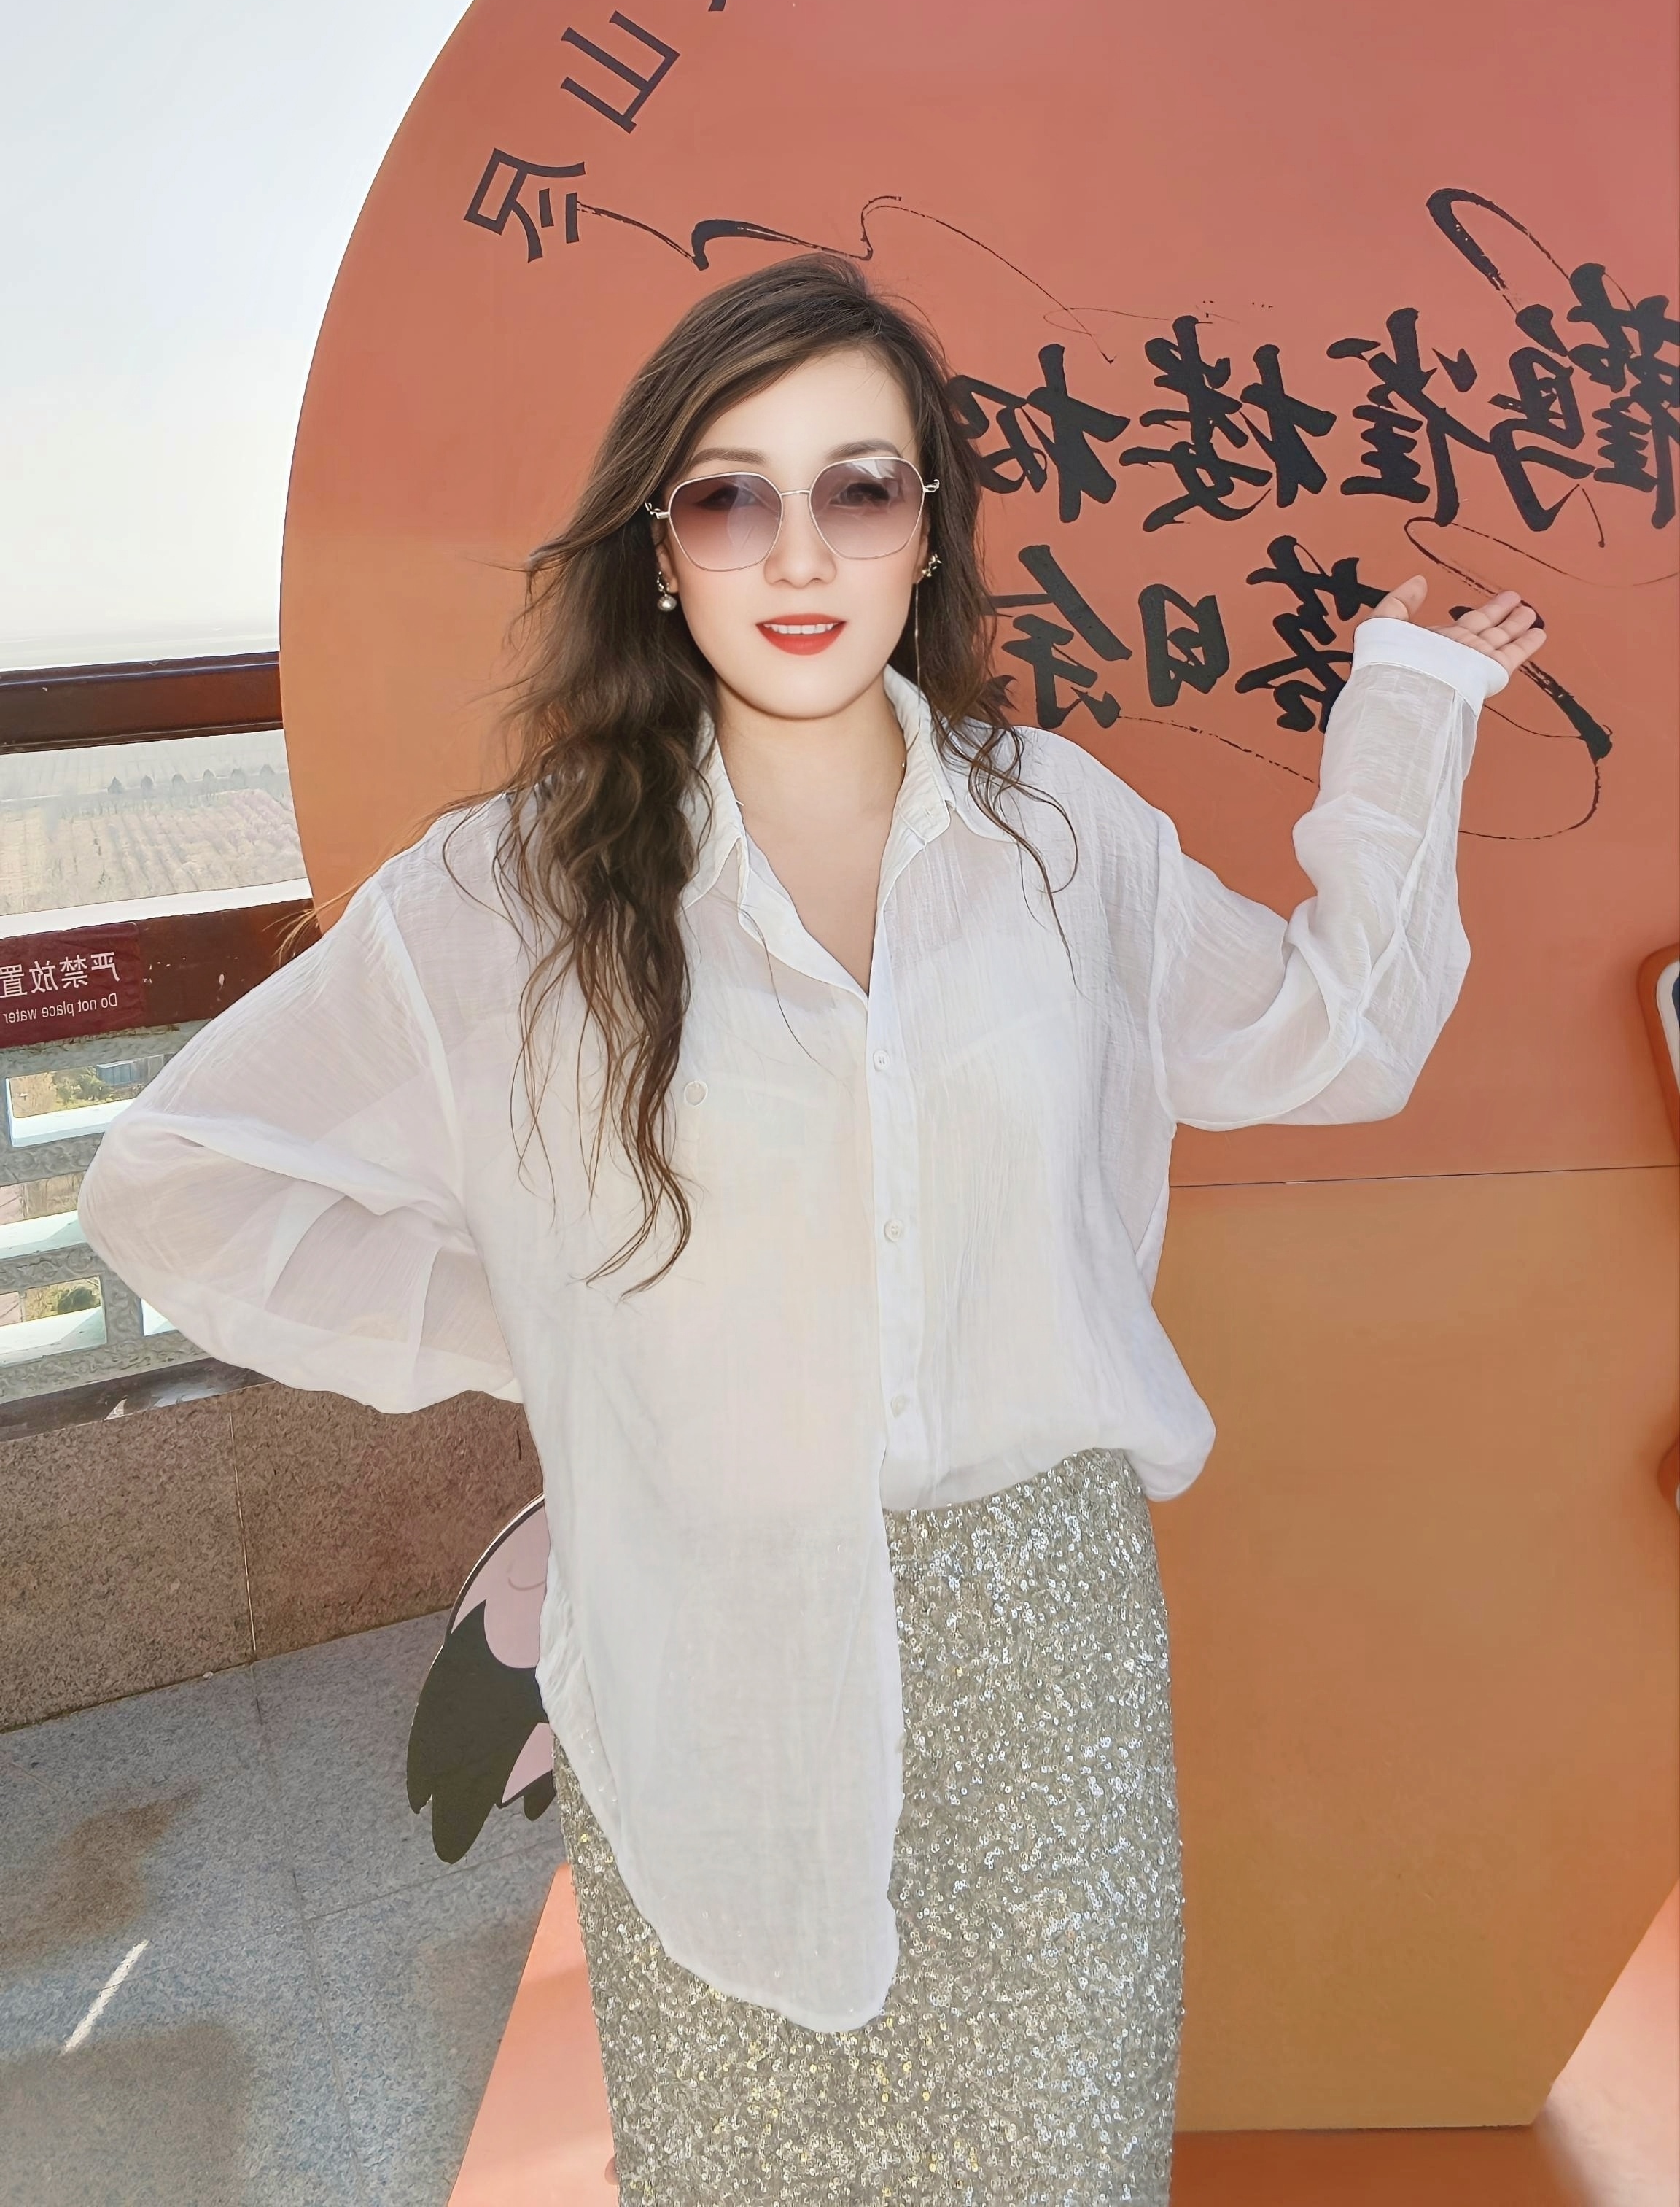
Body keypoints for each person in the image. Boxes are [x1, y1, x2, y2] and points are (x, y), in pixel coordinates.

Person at [79, 255, 1544, 2206]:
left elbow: (1326, 1040)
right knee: (750, 2168)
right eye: (729, 494)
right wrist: (591, 1337)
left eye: (859, 488)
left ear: (928, 533)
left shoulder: (1052, 832)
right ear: (657, 548)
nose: (798, 550)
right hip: (711, 1636)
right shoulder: (519, 890)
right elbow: (175, 1183)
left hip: (1044, 1645)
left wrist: (1413, 721)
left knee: (1064, 2154)